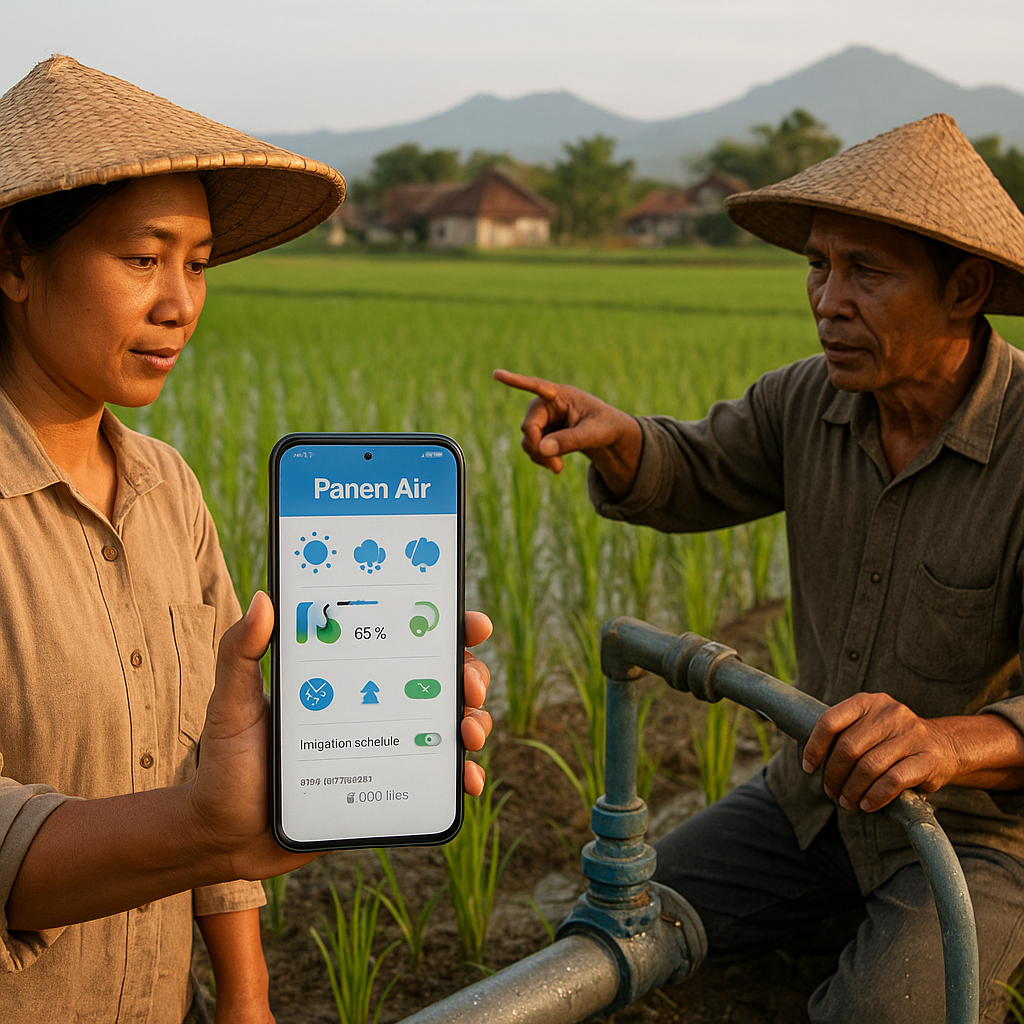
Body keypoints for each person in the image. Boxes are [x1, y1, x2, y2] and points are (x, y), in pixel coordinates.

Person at [496, 112, 1024, 1023]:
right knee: (602, 939)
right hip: (809, 798)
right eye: (819, 265)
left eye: (867, 272)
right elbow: (698, 466)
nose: (828, 299)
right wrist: (621, 441)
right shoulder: (807, 398)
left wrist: (948, 743)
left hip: (976, 837)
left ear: (966, 288)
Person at [0, 56, 493, 1024]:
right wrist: (195, 826)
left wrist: (247, 994)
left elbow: (218, 759)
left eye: (197, 262)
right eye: (143, 258)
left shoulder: (168, 487)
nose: (181, 303)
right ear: (16, 260)